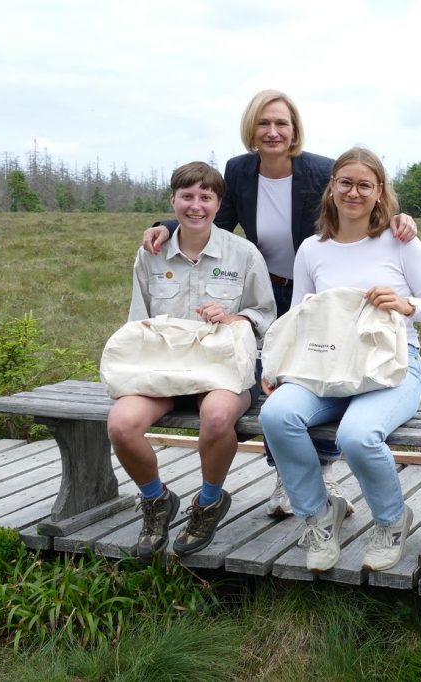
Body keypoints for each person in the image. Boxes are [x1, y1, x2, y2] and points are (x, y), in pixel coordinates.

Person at [142, 90, 419, 519]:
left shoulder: (320, 170)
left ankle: (323, 473)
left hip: (321, 295)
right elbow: (216, 218)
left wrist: (399, 218)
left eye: (281, 124)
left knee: (325, 372)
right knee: (276, 381)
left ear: (294, 130)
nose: (272, 132)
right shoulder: (239, 170)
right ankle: (286, 478)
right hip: (267, 288)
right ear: (251, 128)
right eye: (264, 123)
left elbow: (356, 203)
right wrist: (166, 226)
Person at [258, 147, 421, 573]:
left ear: (380, 191)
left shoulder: (400, 242)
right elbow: (300, 316)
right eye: (345, 183)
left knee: (357, 435)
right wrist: (277, 367)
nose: (354, 192)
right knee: (277, 414)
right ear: (332, 187)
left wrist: (406, 304)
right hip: (326, 366)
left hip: (392, 366)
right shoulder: (312, 249)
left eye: (365, 185)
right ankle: (318, 515)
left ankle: (391, 520)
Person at [108, 161, 276, 560]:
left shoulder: (243, 253)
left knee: (216, 417)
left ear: (219, 204)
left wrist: (234, 316)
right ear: (173, 200)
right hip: (162, 367)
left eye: (206, 197)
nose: (196, 206)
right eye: (187, 196)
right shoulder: (152, 253)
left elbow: (266, 316)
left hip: (221, 368)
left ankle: (209, 501)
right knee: (121, 424)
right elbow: (138, 320)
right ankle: (156, 500)